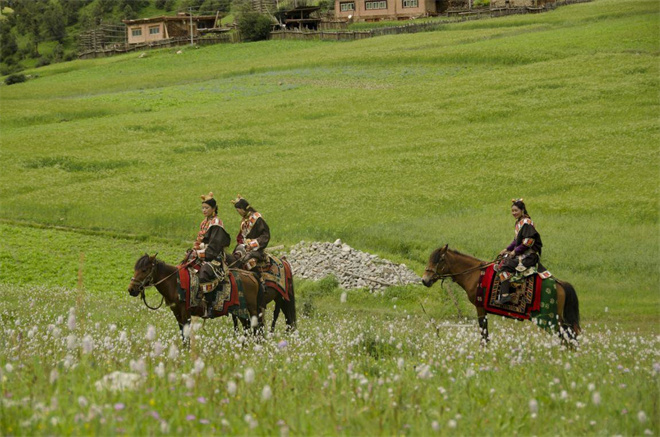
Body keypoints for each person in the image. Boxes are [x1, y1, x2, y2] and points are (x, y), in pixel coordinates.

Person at [190, 192, 231, 317]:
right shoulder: (204, 223)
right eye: (202, 208)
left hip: (214, 256)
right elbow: (201, 241)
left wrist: (201, 252)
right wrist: (195, 249)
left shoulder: (216, 223)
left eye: (207, 208)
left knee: (204, 273)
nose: (204, 210)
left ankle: (209, 304)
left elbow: (215, 245)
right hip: (204, 253)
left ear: (213, 209)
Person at [495, 198, 543, 304]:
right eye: (512, 211)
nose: (514, 213)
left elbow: (528, 242)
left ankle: (505, 296)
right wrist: (507, 249)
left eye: (516, 210)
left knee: (504, 266)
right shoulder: (519, 223)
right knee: (502, 260)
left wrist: (515, 252)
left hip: (528, 256)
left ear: (522, 210)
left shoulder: (526, 223)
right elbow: (516, 241)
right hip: (522, 254)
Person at [230, 194, 270, 275]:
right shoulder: (244, 220)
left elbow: (265, 236)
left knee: (248, 263)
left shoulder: (256, 218)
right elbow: (240, 237)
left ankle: (259, 281)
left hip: (257, 250)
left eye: (238, 210)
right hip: (244, 248)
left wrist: (251, 245)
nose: (238, 212)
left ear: (243, 209)